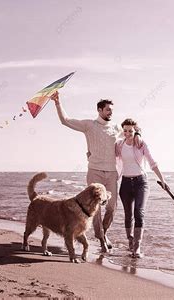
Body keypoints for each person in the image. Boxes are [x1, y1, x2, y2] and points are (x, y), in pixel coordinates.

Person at [51, 92, 142, 253]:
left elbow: (133, 130)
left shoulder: (116, 128)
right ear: (99, 110)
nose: (111, 112)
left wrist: (139, 137)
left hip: (112, 172)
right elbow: (65, 121)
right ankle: (101, 240)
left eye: (111, 110)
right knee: (96, 209)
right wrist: (58, 103)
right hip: (94, 172)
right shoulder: (89, 125)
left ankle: (103, 233)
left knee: (112, 207)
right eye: (108, 110)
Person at [115, 118, 167, 258]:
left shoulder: (141, 144)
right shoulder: (119, 145)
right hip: (125, 183)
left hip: (141, 183)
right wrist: (91, 155)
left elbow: (152, 163)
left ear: (135, 130)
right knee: (128, 215)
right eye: (125, 130)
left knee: (139, 212)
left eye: (130, 131)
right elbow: (107, 156)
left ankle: (137, 247)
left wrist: (162, 180)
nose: (127, 133)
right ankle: (130, 241)